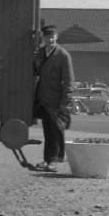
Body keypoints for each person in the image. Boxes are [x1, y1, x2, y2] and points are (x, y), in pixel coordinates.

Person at [32, 24, 74, 170]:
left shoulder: (63, 55)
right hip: (43, 99)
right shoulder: (40, 53)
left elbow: (69, 80)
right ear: (43, 38)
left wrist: (65, 102)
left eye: (53, 36)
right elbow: (35, 70)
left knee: (57, 130)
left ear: (56, 37)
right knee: (48, 131)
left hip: (57, 101)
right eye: (47, 36)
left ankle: (55, 160)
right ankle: (47, 159)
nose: (50, 39)